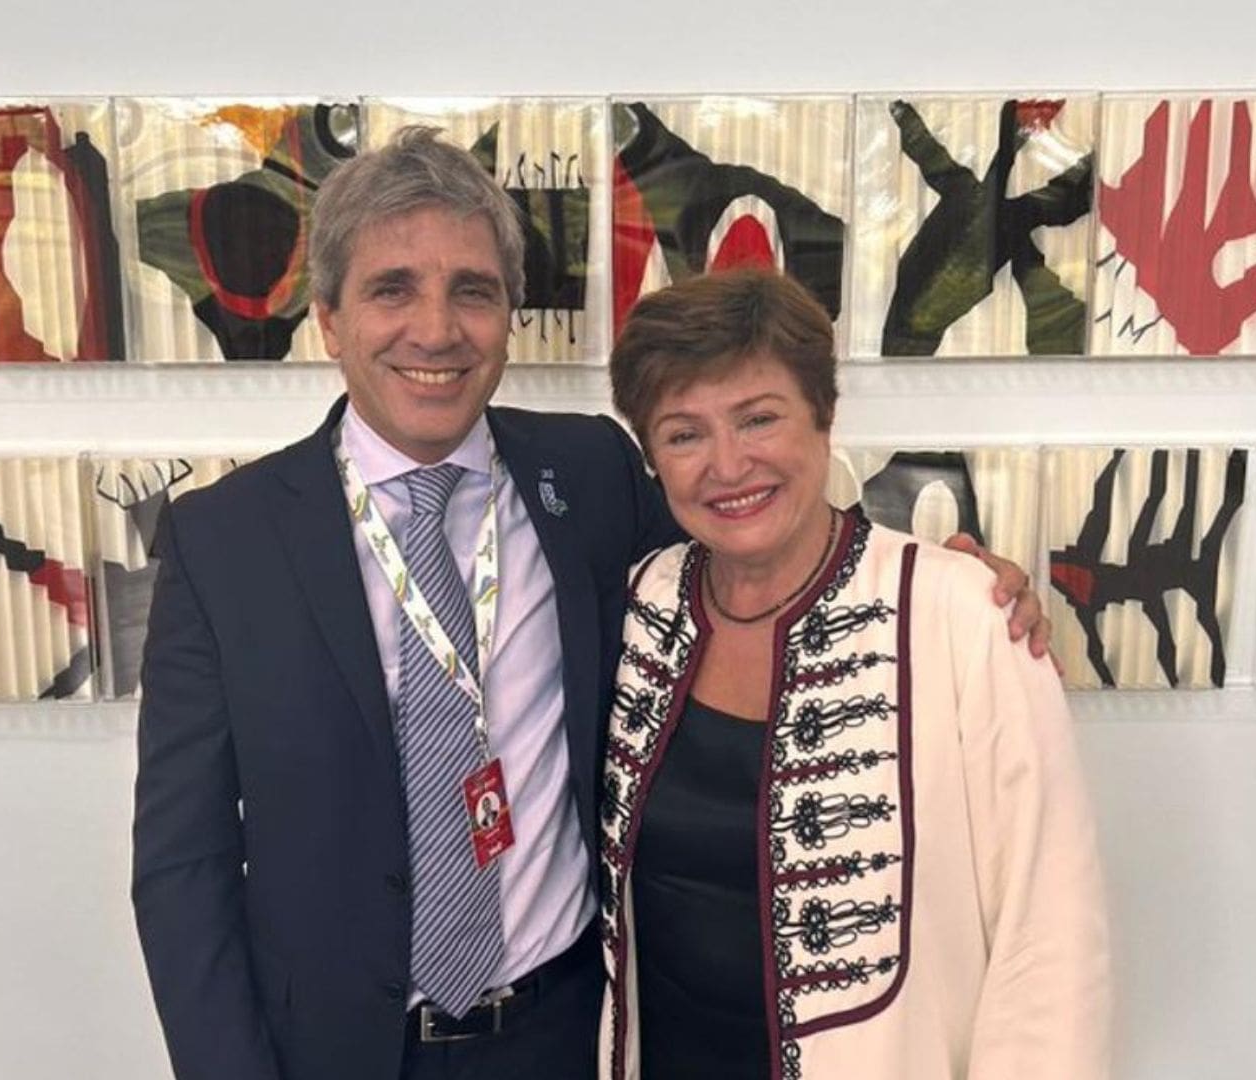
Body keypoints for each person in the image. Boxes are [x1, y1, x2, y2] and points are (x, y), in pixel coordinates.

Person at [131, 127, 1049, 1080]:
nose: (436, 330)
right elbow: (182, 864)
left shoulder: (589, 471)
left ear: (510, 314)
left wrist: (934, 586)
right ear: (328, 318)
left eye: (473, 291)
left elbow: (750, 535)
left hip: (567, 1035)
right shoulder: (222, 542)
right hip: (334, 1052)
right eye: (392, 289)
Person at [598, 269, 1110, 1079]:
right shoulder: (637, 603)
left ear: (823, 416)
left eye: (759, 418)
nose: (728, 464)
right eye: (684, 434)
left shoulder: (966, 615)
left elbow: (1049, 933)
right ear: (653, 459)